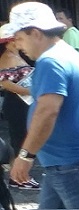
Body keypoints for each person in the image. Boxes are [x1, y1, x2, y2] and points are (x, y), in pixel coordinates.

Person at [1, 2, 79, 208]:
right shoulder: (67, 54)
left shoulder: (51, 61)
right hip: (66, 163)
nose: (17, 45)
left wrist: (25, 155)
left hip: (75, 163)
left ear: (35, 33)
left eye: (19, 38)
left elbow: (47, 111)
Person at [0, 37, 34, 177]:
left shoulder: (16, 55)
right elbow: (5, 83)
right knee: (20, 140)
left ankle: (20, 174)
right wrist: (31, 91)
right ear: (8, 43)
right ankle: (19, 176)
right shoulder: (6, 57)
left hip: (22, 103)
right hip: (16, 103)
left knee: (23, 138)